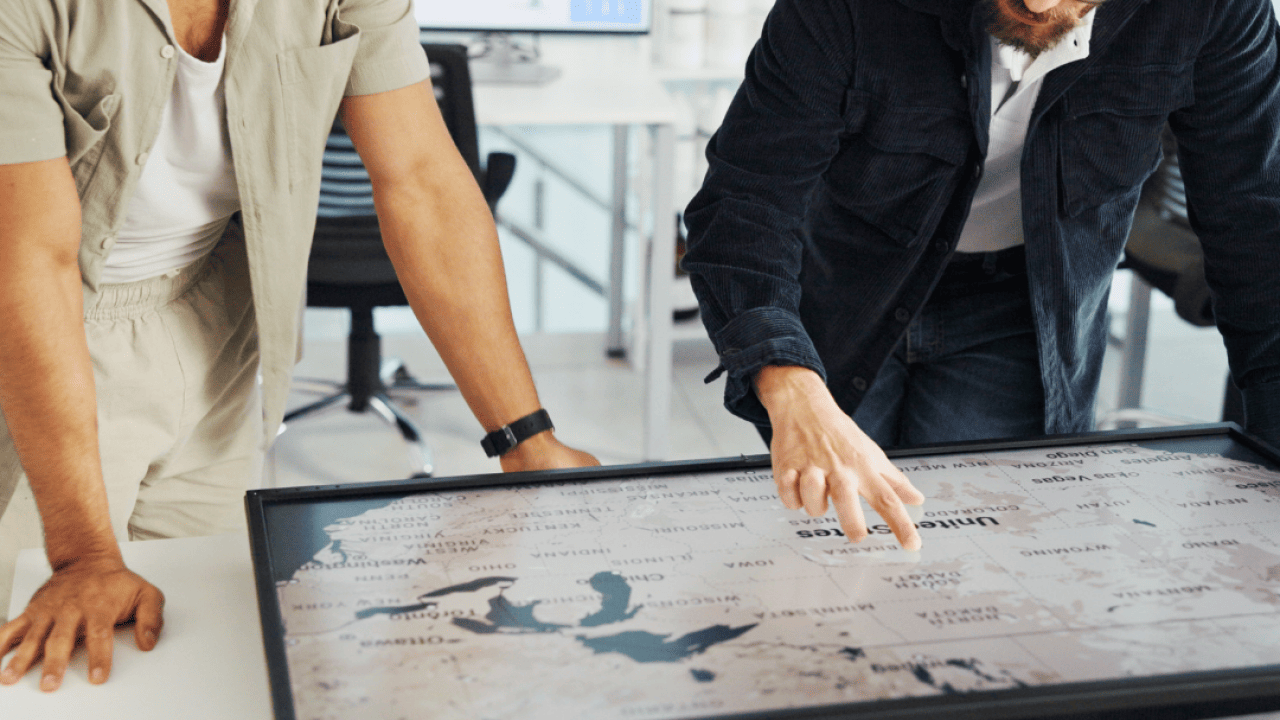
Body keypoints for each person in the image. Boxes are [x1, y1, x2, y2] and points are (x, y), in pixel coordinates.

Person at [0, 0, 599, 692]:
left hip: (214, 314)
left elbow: (421, 181)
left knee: (206, 648)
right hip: (42, 331)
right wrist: (81, 555)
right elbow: (28, 263)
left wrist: (527, 438)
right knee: (48, 660)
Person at [683, 0, 1280, 553]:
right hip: (849, 288)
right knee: (836, 546)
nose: (1041, 5)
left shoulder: (1216, 11)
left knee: (979, 550)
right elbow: (746, 202)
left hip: (1022, 305)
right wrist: (788, 381)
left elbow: (1255, 223)